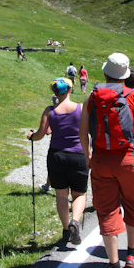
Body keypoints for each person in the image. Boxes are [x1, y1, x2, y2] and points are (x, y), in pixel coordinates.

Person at [79, 53, 134, 268]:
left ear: (105, 73)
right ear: (125, 76)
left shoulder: (92, 98)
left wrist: (88, 157)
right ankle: (132, 255)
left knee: (106, 211)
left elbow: (82, 132)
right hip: (129, 160)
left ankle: (114, 267)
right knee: (132, 204)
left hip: (102, 161)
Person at [28, 77, 88, 245]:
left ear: (55, 92)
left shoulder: (50, 110)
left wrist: (31, 137)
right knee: (79, 193)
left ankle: (66, 230)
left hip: (56, 155)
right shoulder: (81, 108)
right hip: (78, 155)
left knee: (61, 194)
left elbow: (40, 134)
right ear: (70, 90)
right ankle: (75, 221)